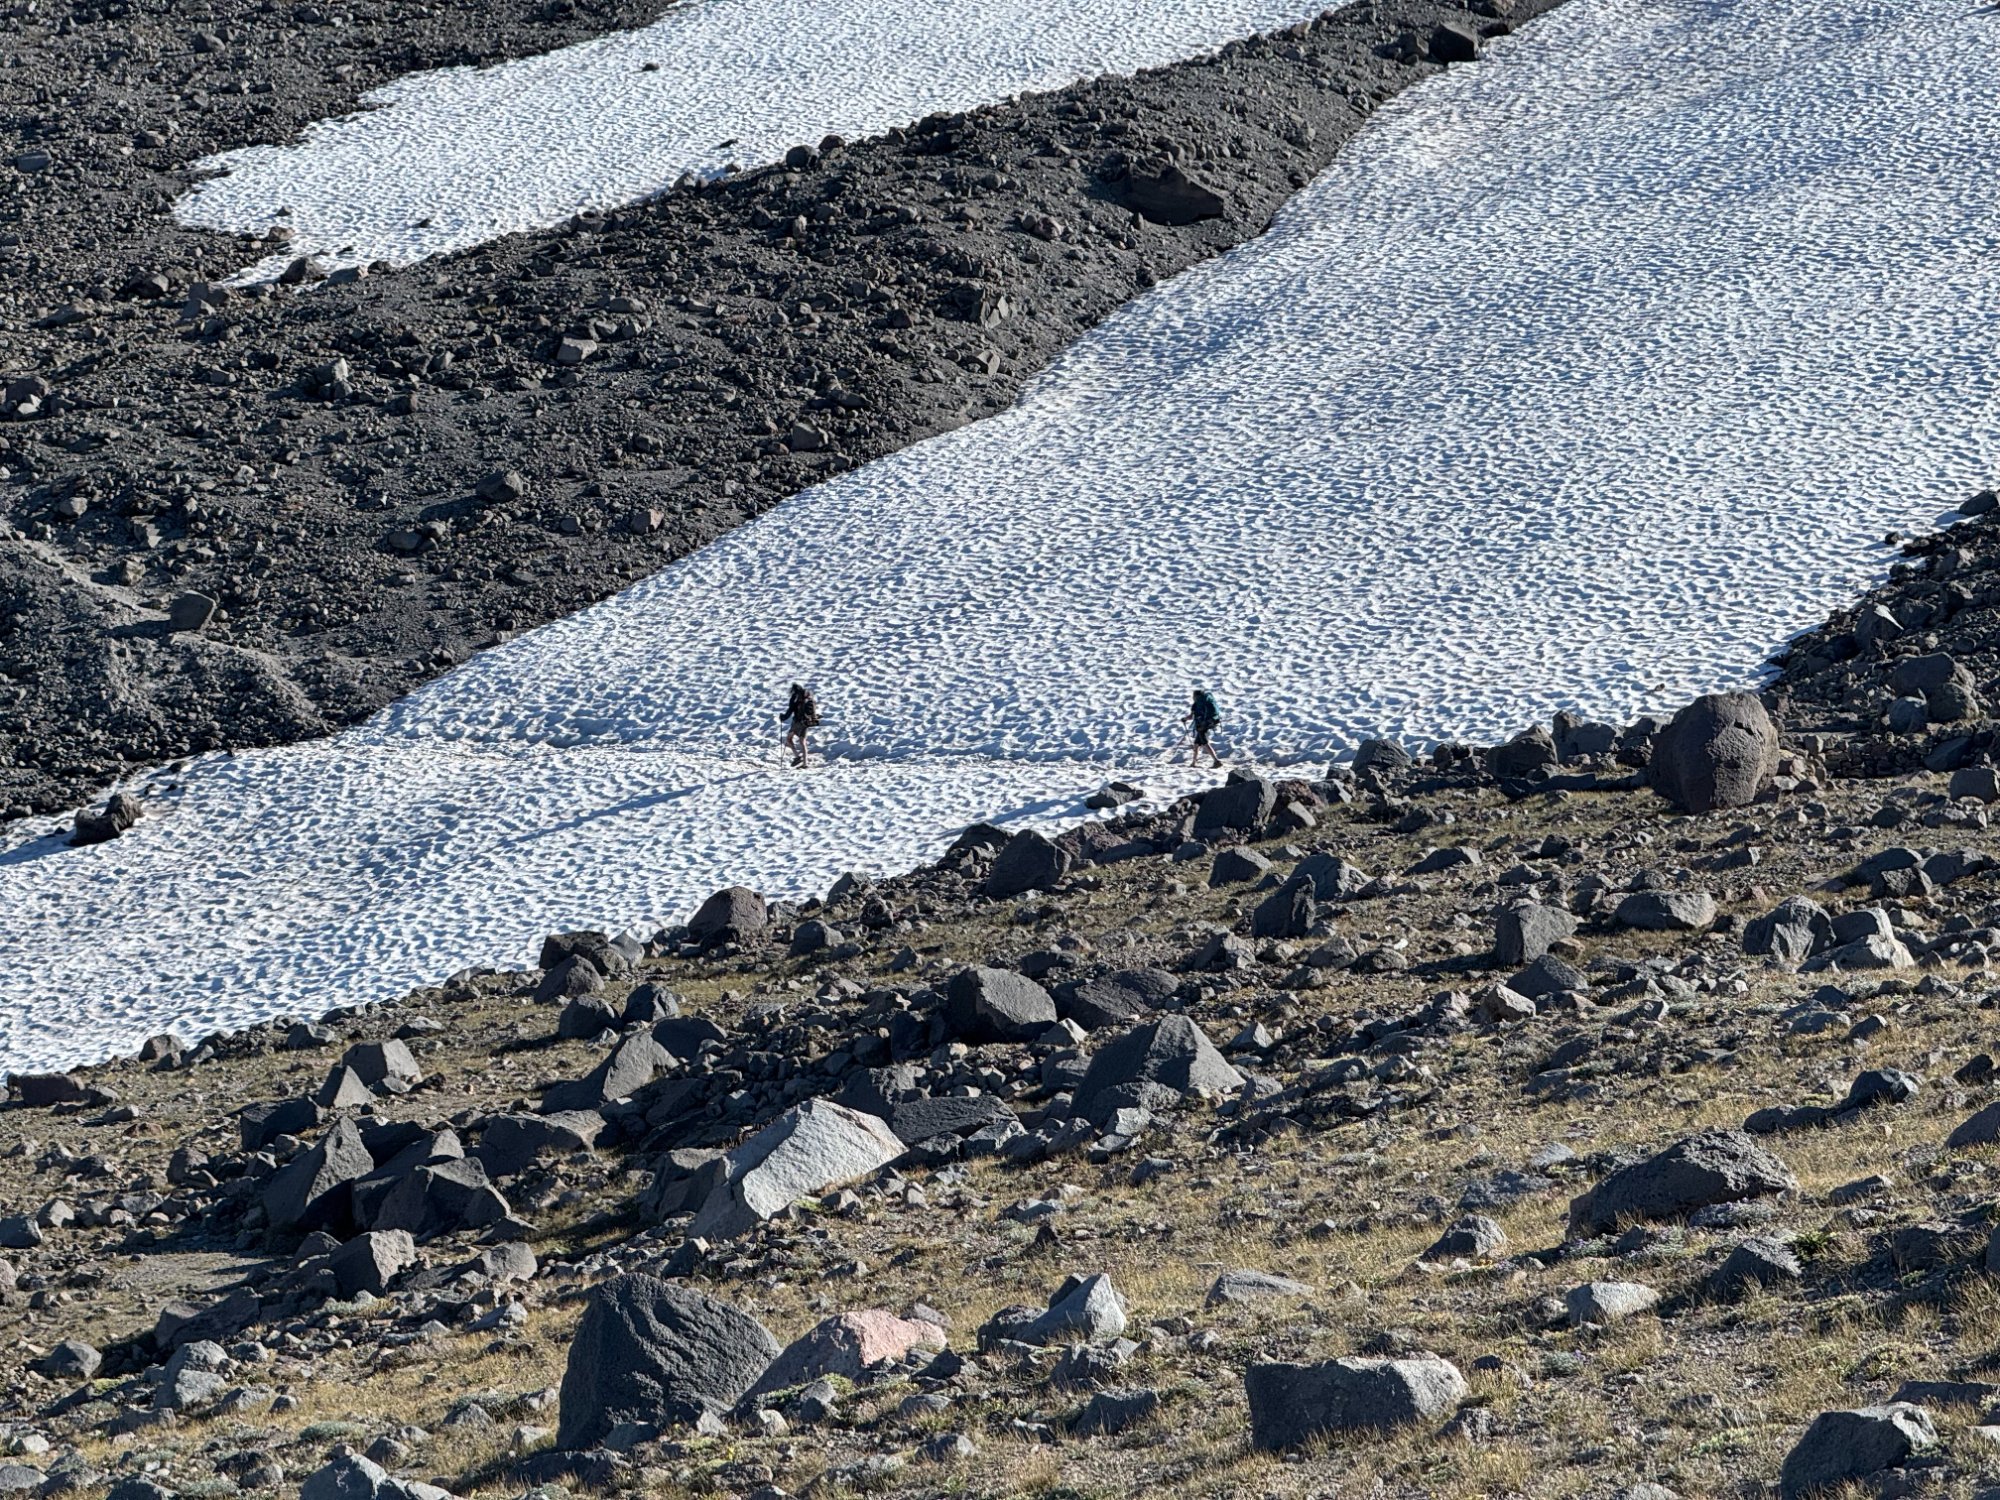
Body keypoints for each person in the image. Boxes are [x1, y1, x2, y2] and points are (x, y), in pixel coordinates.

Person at [781, 683, 820, 767]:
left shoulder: (795, 698)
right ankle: (805, 764)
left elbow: (790, 710)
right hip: (806, 723)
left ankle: (797, 757)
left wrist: (783, 717)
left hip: (797, 723)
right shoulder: (808, 697)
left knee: (789, 739)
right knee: (803, 742)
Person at [1183, 687, 1222, 768]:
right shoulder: (1206, 702)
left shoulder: (1196, 704)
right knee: (1196, 744)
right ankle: (1193, 763)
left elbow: (1190, 717)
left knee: (1205, 743)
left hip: (1201, 726)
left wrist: (1184, 719)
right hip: (1207, 724)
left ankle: (1216, 761)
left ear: (1195, 696)